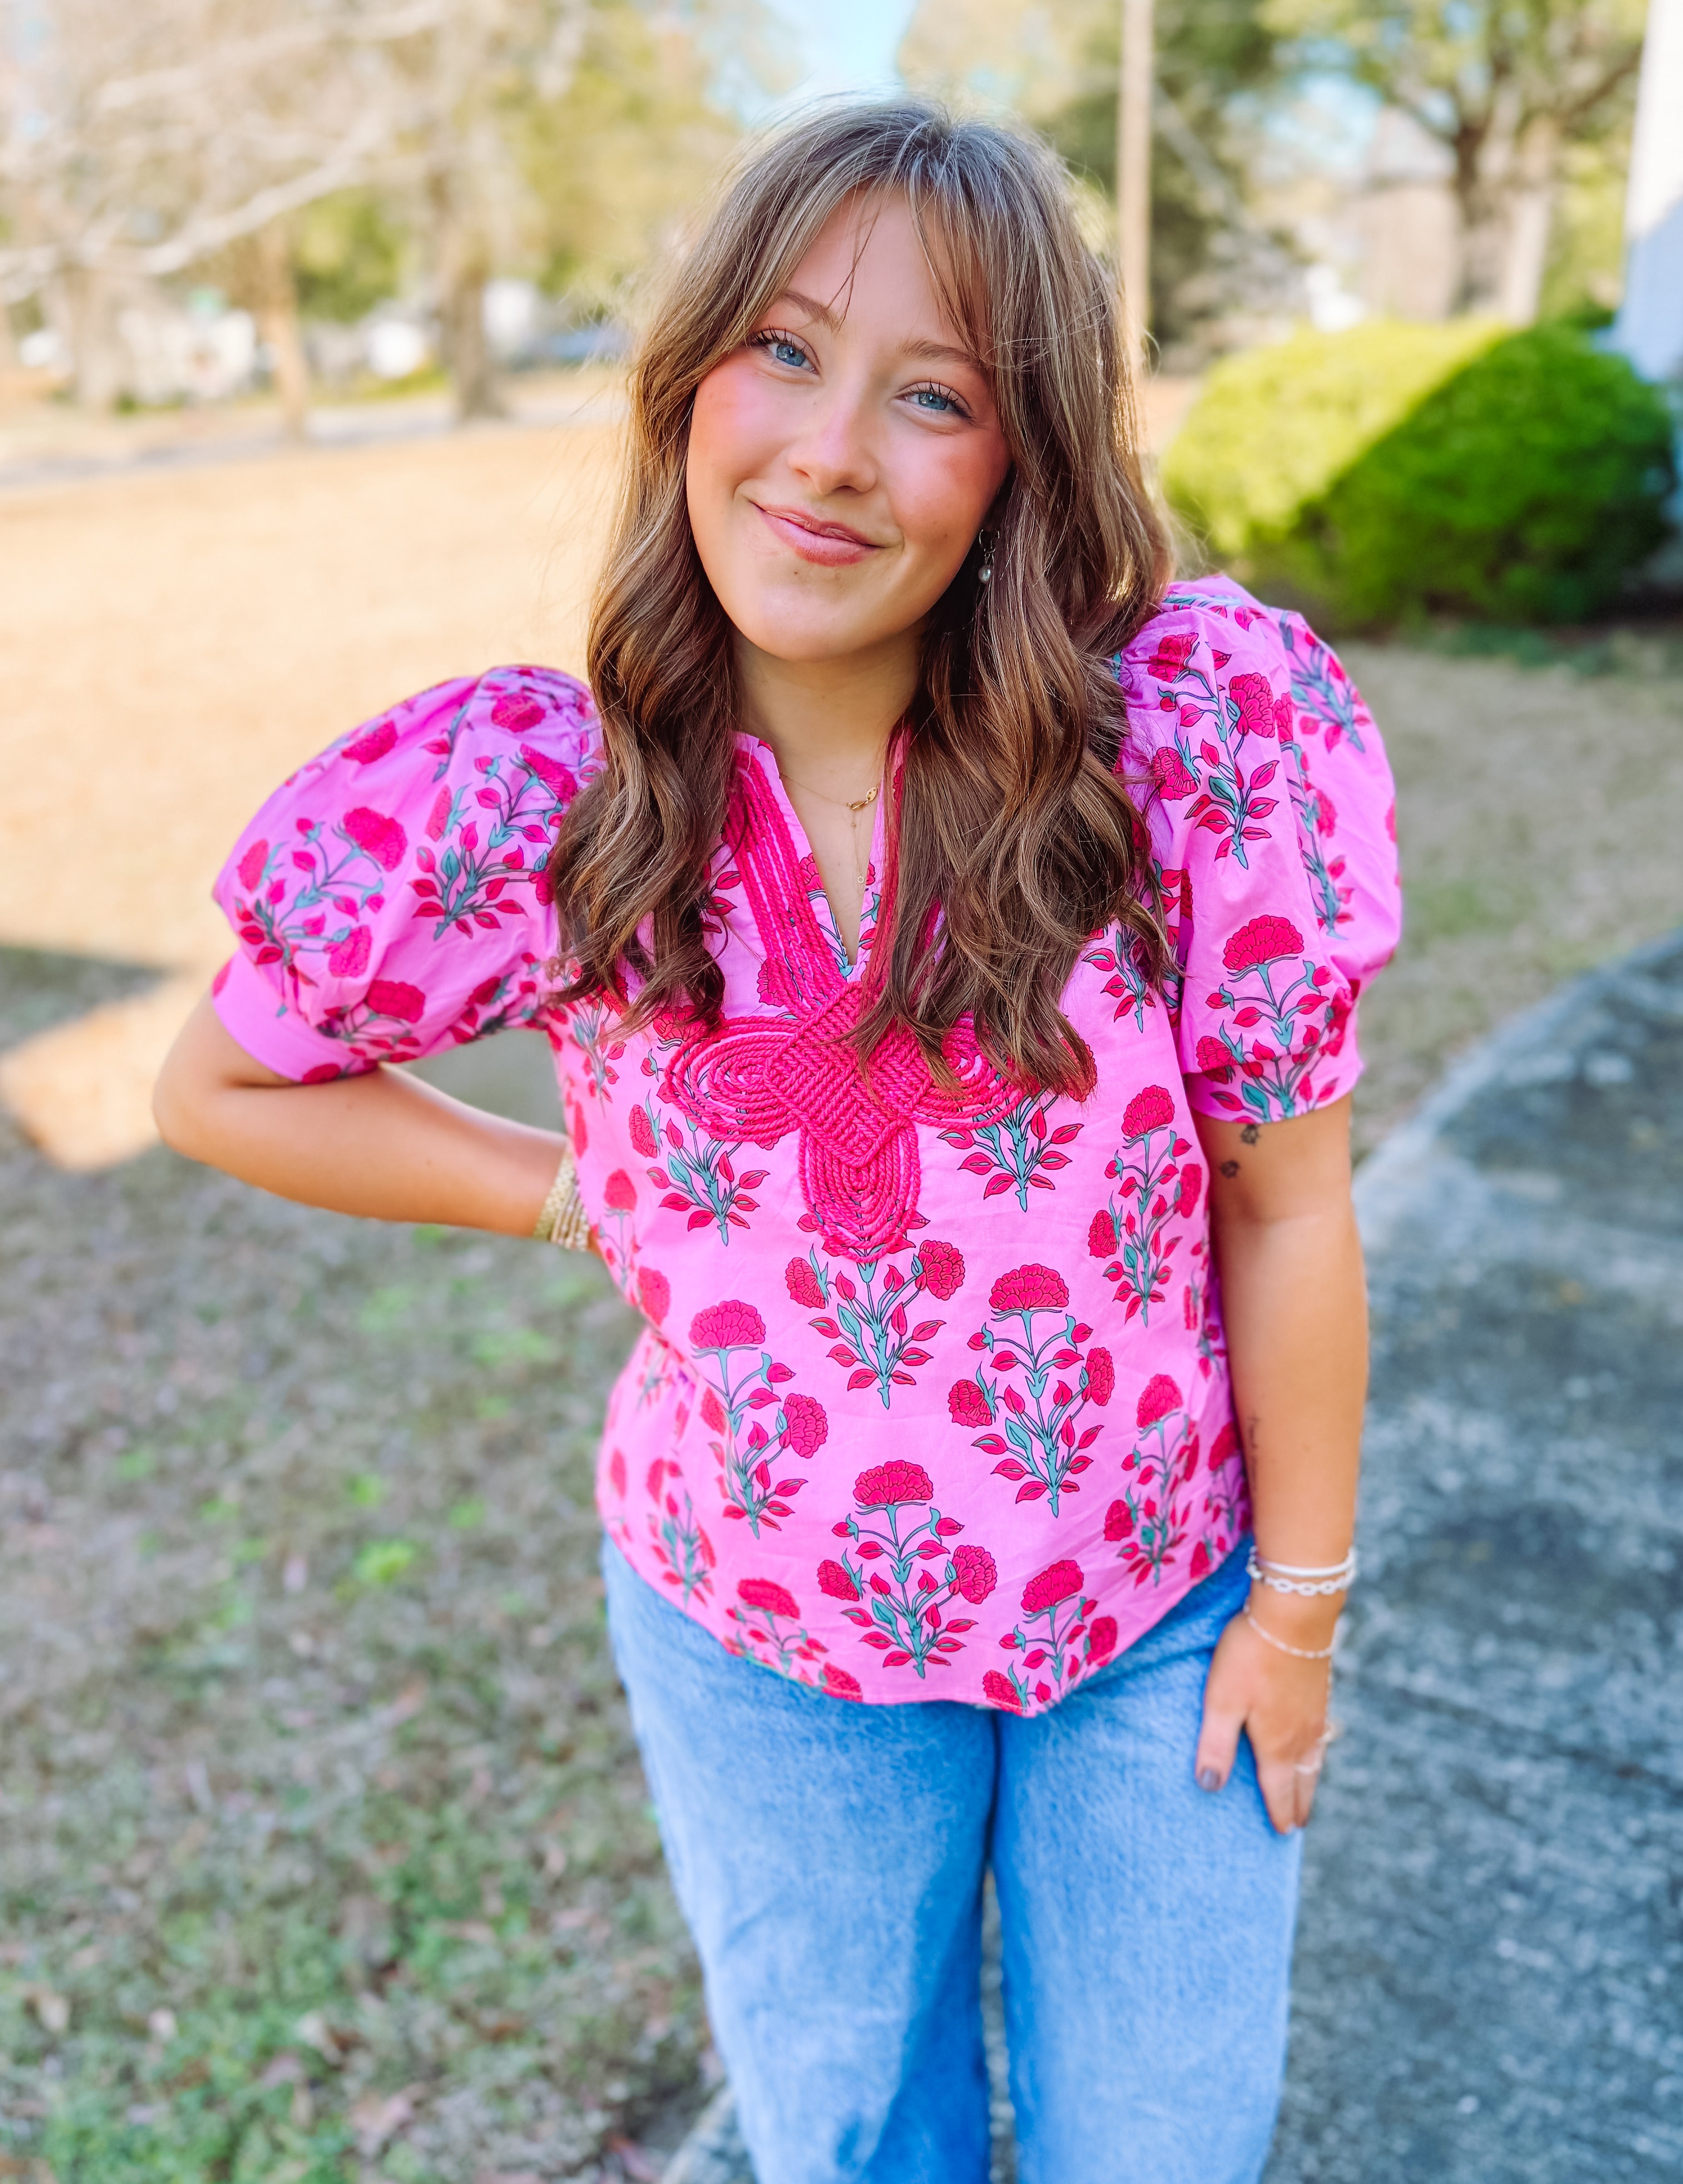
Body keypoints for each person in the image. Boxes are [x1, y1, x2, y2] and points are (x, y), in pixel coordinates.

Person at [155, 101, 1401, 2184]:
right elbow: (222, 1086)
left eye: (936, 397)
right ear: (690, 378)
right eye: (788, 352)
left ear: (1026, 466)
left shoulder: (1177, 756)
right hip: (766, 1631)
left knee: (1171, 2143)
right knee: (848, 2143)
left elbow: (1291, 1208)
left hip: (1160, 1610)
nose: (832, 450)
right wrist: (573, 1196)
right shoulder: (543, 798)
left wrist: (1296, 1612)